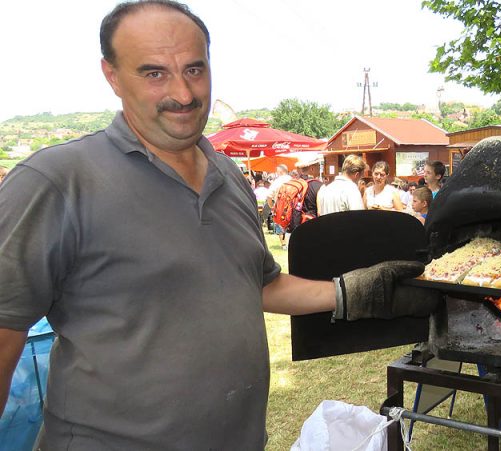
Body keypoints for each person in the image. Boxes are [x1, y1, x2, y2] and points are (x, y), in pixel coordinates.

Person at [0, 3, 431, 449]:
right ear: (112, 75)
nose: (183, 93)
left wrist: (356, 291)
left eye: (194, 68)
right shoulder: (56, 181)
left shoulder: (228, 175)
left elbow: (258, 284)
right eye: (154, 73)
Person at [266, 163, 292, 248]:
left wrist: (271, 206)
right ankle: (291, 243)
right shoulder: (292, 180)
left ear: (280, 172)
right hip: (292, 206)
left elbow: (269, 195)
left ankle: (284, 244)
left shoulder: (277, 181)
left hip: (280, 206)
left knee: (280, 225)